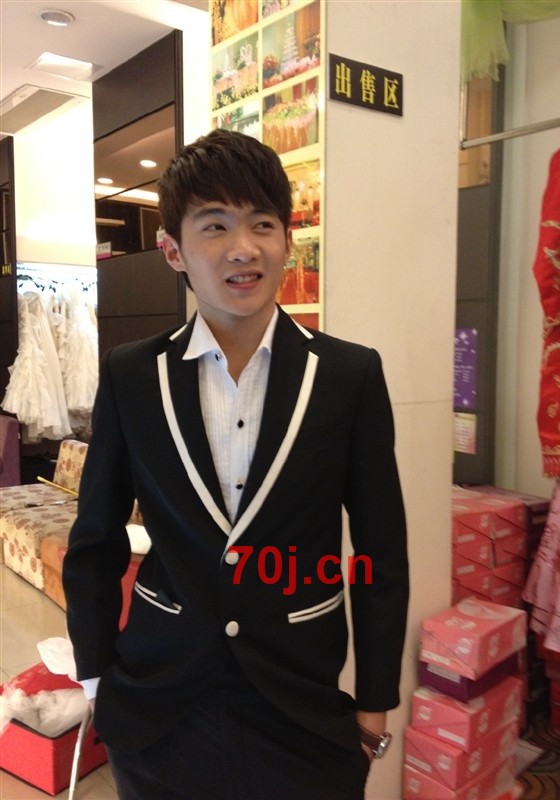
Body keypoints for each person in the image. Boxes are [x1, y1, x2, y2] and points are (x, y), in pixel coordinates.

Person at [62, 129, 409, 800]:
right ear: (173, 250)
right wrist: (97, 680)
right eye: (215, 225)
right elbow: (96, 540)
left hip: (302, 700)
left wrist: (375, 699)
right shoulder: (133, 375)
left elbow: (380, 552)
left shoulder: (348, 375)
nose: (243, 247)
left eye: (262, 224)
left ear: (287, 240)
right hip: (159, 703)